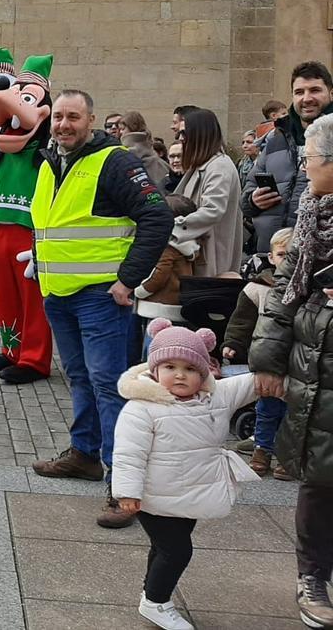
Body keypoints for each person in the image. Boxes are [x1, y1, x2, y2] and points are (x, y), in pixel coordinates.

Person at [29, 89, 173, 529]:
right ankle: (84, 455)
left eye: (74, 116)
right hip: (60, 295)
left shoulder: (115, 162)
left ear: (90, 121)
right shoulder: (52, 162)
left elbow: (157, 217)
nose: (63, 124)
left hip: (100, 298)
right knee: (80, 379)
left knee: (109, 386)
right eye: (58, 117)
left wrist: (129, 279)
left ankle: (123, 486)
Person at [112, 319, 259, 630]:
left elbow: (251, 383)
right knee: (177, 550)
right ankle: (156, 601)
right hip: (153, 496)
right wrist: (127, 492)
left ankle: (150, 593)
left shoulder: (214, 397)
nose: (180, 374)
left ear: (203, 373)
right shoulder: (142, 408)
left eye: (190, 368)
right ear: (154, 371)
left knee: (164, 547)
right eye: (170, 366)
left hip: (190, 494)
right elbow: (128, 454)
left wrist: (277, 373)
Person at [250, 112, 333, 628]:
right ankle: (313, 579)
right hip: (317, 358)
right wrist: (267, 359)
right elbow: (285, 290)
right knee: (321, 478)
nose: (304, 164)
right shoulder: (312, 214)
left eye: (312, 157)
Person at [222, 227, 292, 480]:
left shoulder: (309, 289)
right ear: (271, 257)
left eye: (293, 254)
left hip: (297, 363)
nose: (287, 260)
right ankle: (262, 450)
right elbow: (241, 321)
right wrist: (233, 343)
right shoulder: (257, 288)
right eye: (282, 254)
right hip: (267, 360)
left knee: (293, 412)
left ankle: (286, 455)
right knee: (267, 408)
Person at [242, 61, 333, 253]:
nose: (306, 98)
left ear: (330, 93)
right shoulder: (276, 137)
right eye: (299, 92)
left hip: (321, 256)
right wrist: (253, 201)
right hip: (271, 254)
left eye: (315, 90)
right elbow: (246, 196)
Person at [172, 108, 243, 275]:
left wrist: (173, 230)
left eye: (184, 133)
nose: (180, 139)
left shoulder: (219, 166)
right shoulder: (202, 167)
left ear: (199, 133)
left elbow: (212, 210)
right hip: (198, 255)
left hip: (212, 260)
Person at [132, 195, 199, 326]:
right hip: (177, 303)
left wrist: (139, 290)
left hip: (158, 306)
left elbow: (159, 274)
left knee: (154, 343)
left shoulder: (167, 247)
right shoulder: (188, 245)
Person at [119, 111, 170, 189]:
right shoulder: (158, 160)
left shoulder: (126, 154)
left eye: (123, 129)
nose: (120, 132)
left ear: (132, 127)